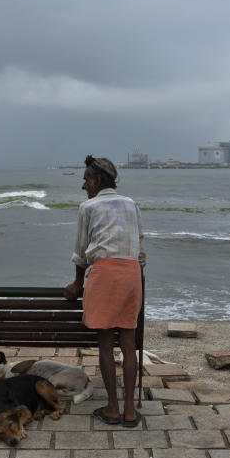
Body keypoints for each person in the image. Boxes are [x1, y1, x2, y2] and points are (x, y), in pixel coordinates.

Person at [63, 155, 146, 427]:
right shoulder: (131, 204)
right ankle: (130, 411)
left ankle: (112, 408)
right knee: (129, 345)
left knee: (106, 346)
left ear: (97, 180)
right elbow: (140, 248)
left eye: (86, 180)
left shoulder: (88, 207)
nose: (84, 186)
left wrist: (77, 284)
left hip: (105, 274)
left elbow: (81, 253)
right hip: (132, 274)